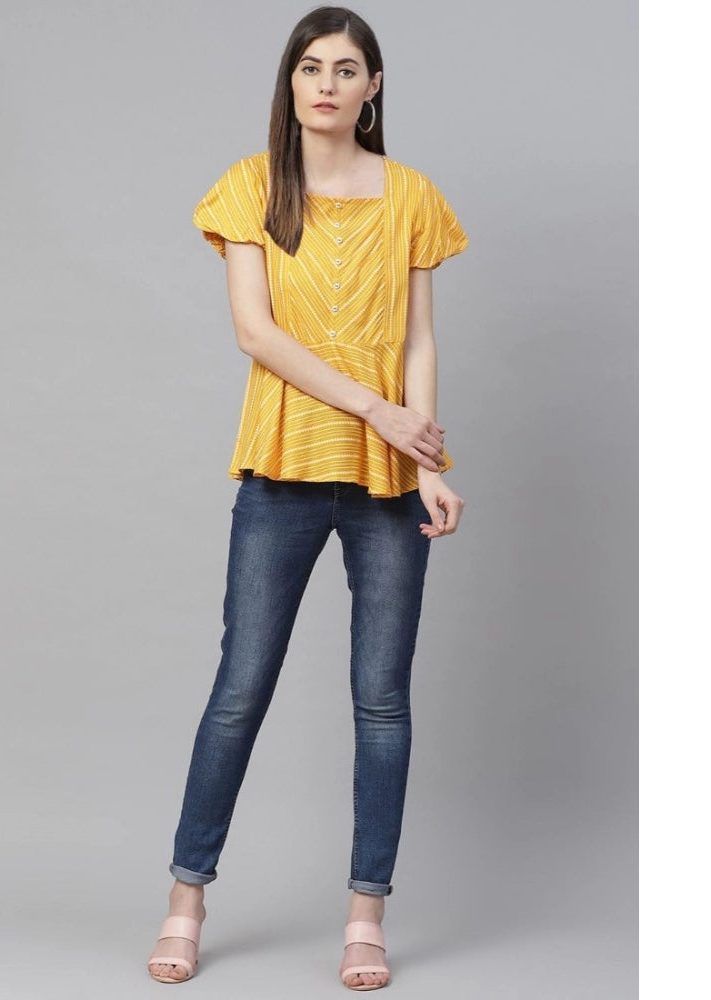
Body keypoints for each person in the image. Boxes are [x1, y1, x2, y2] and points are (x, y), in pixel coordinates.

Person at [147, 6, 468, 990]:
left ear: (373, 88)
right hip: (282, 469)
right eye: (310, 67)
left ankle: (366, 918)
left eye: (346, 69)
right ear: (290, 83)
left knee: (382, 701)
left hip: (386, 481)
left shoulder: (411, 195)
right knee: (240, 689)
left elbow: (417, 338)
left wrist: (427, 460)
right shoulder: (251, 187)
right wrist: (376, 408)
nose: (326, 84)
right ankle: (186, 901)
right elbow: (257, 333)